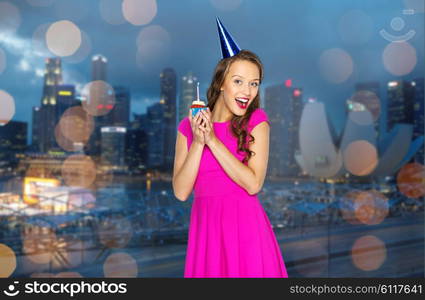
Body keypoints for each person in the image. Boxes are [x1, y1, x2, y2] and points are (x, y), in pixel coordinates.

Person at [172, 18, 288, 278]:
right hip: (206, 236)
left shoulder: (257, 122)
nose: (247, 91)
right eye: (238, 81)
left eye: (254, 83)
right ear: (221, 83)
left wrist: (213, 141)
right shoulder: (187, 127)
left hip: (247, 234)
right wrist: (200, 142)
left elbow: (253, 184)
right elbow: (180, 191)